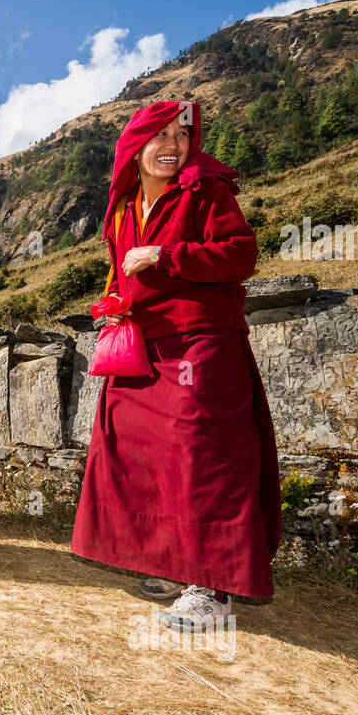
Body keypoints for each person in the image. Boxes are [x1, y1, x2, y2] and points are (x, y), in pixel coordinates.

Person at [71, 100, 281, 631]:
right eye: (159, 136)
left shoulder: (206, 191)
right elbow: (122, 276)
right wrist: (114, 303)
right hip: (143, 344)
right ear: (134, 148)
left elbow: (240, 254)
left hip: (201, 341)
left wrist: (167, 256)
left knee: (204, 456)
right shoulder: (122, 208)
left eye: (182, 136)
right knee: (136, 452)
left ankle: (213, 590)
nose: (173, 146)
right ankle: (172, 562)